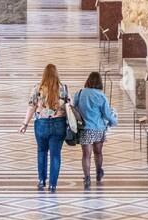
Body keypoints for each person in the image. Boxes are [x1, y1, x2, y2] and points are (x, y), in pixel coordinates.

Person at [20, 63, 69, 191]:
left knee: (41, 151)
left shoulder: (38, 88)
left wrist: (25, 124)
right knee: (55, 155)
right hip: (59, 124)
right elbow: (68, 106)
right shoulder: (63, 88)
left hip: (41, 124)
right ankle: (53, 184)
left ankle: (42, 180)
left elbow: (31, 107)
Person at [74, 71, 117, 189]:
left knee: (86, 155)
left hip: (85, 129)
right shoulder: (101, 96)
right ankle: (98, 172)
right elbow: (107, 113)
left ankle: (87, 178)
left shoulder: (79, 93)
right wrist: (114, 121)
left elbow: (74, 109)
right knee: (98, 152)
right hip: (98, 128)